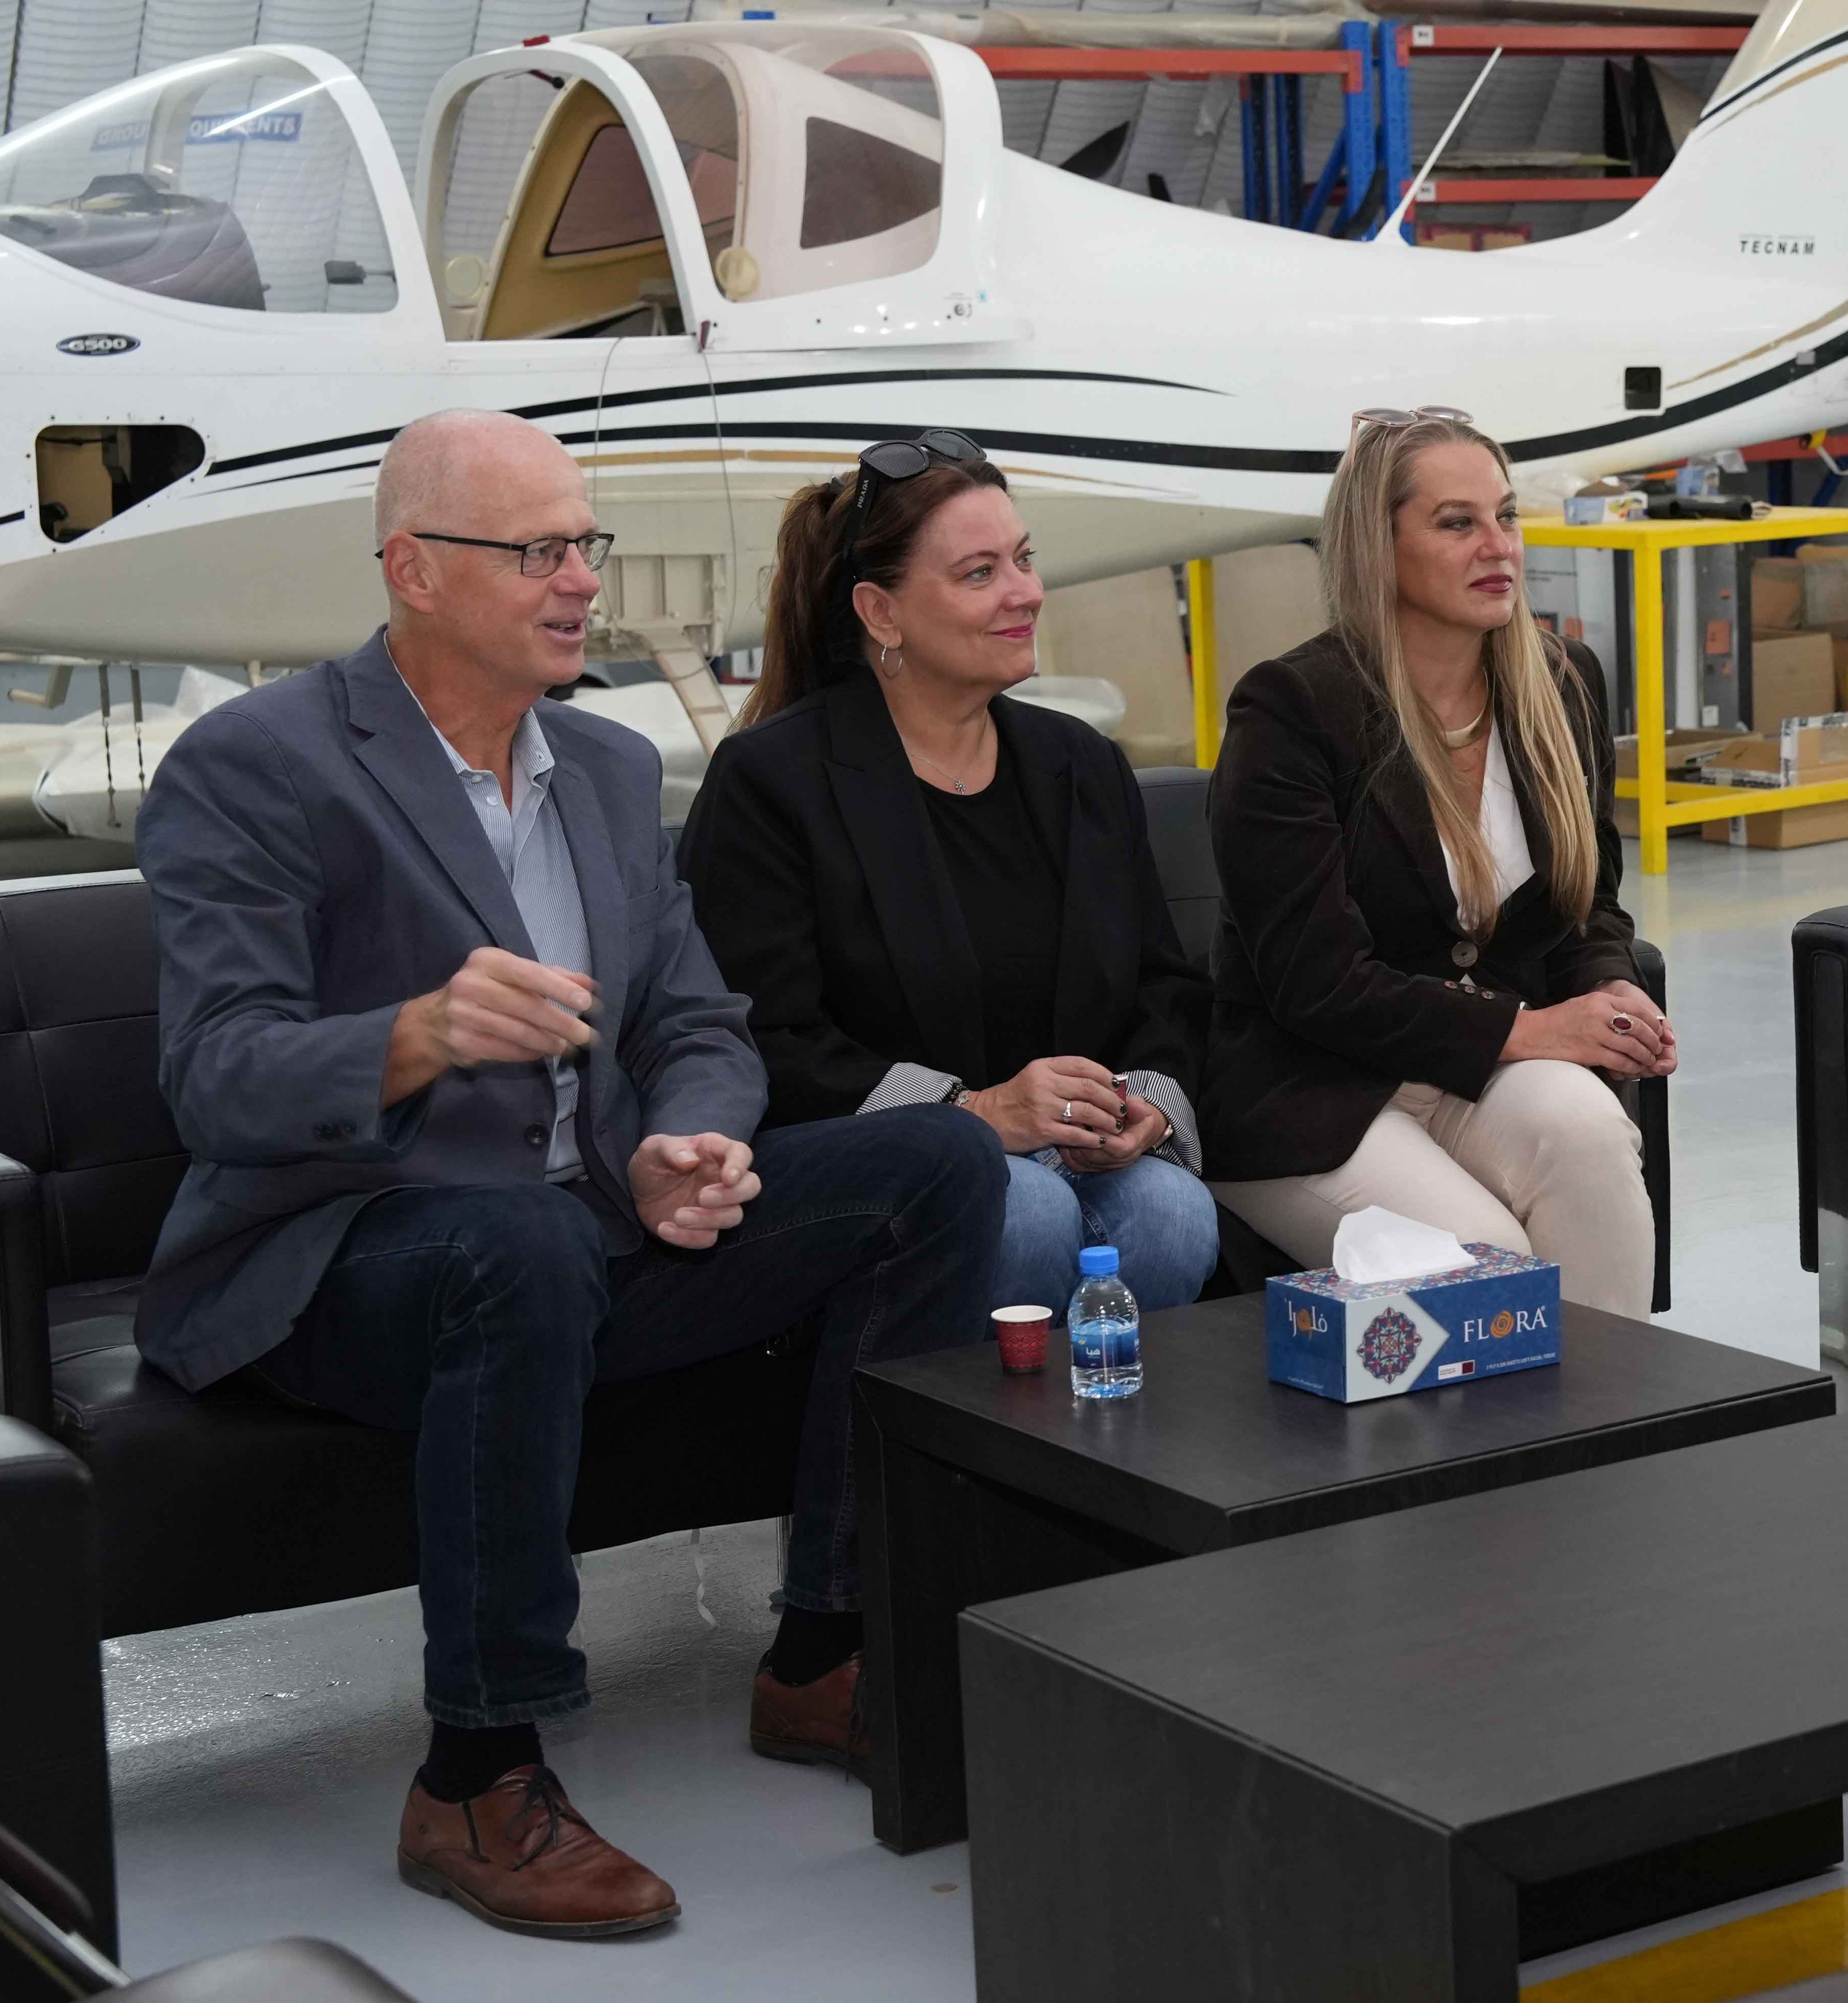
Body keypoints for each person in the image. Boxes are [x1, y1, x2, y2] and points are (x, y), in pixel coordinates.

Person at [132, 410, 1014, 1940]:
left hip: (583, 1232)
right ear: (414, 569)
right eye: (539, 549)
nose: (583, 580)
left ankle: (826, 1651)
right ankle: (477, 1774)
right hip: (338, 1258)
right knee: (516, 1245)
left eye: (584, 543)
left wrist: (690, 1142)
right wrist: (414, 1035)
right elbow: (216, 1076)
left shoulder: (605, 766)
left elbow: (700, 1025)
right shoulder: (258, 765)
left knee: (937, 1161)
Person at [678, 430, 1219, 1313]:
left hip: (1070, 1155)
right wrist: (975, 1112)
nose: (1026, 593)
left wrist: (1146, 1102)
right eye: (980, 574)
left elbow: (1163, 981)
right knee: (1024, 1210)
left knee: (1171, 1213)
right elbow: (765, 1038)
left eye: (1024, 560)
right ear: (880, 614)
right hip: (867, 1163)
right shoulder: (772, 781)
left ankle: (1107, 1411)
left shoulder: (1081, 764)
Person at [1203, 409, 1675, 1313]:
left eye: (1507, 516)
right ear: (1377, 549)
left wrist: (1610, 988)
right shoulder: (1293, 709)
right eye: (1457, 523)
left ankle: (1615, 1401)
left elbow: (1590, 905)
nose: (1498, 546)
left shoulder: (1563, 683)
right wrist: (1530, 1030)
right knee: (1489, 1264)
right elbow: (1315, 983)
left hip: (1473, 1073)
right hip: (1313, 1090)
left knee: (1590, 1136)